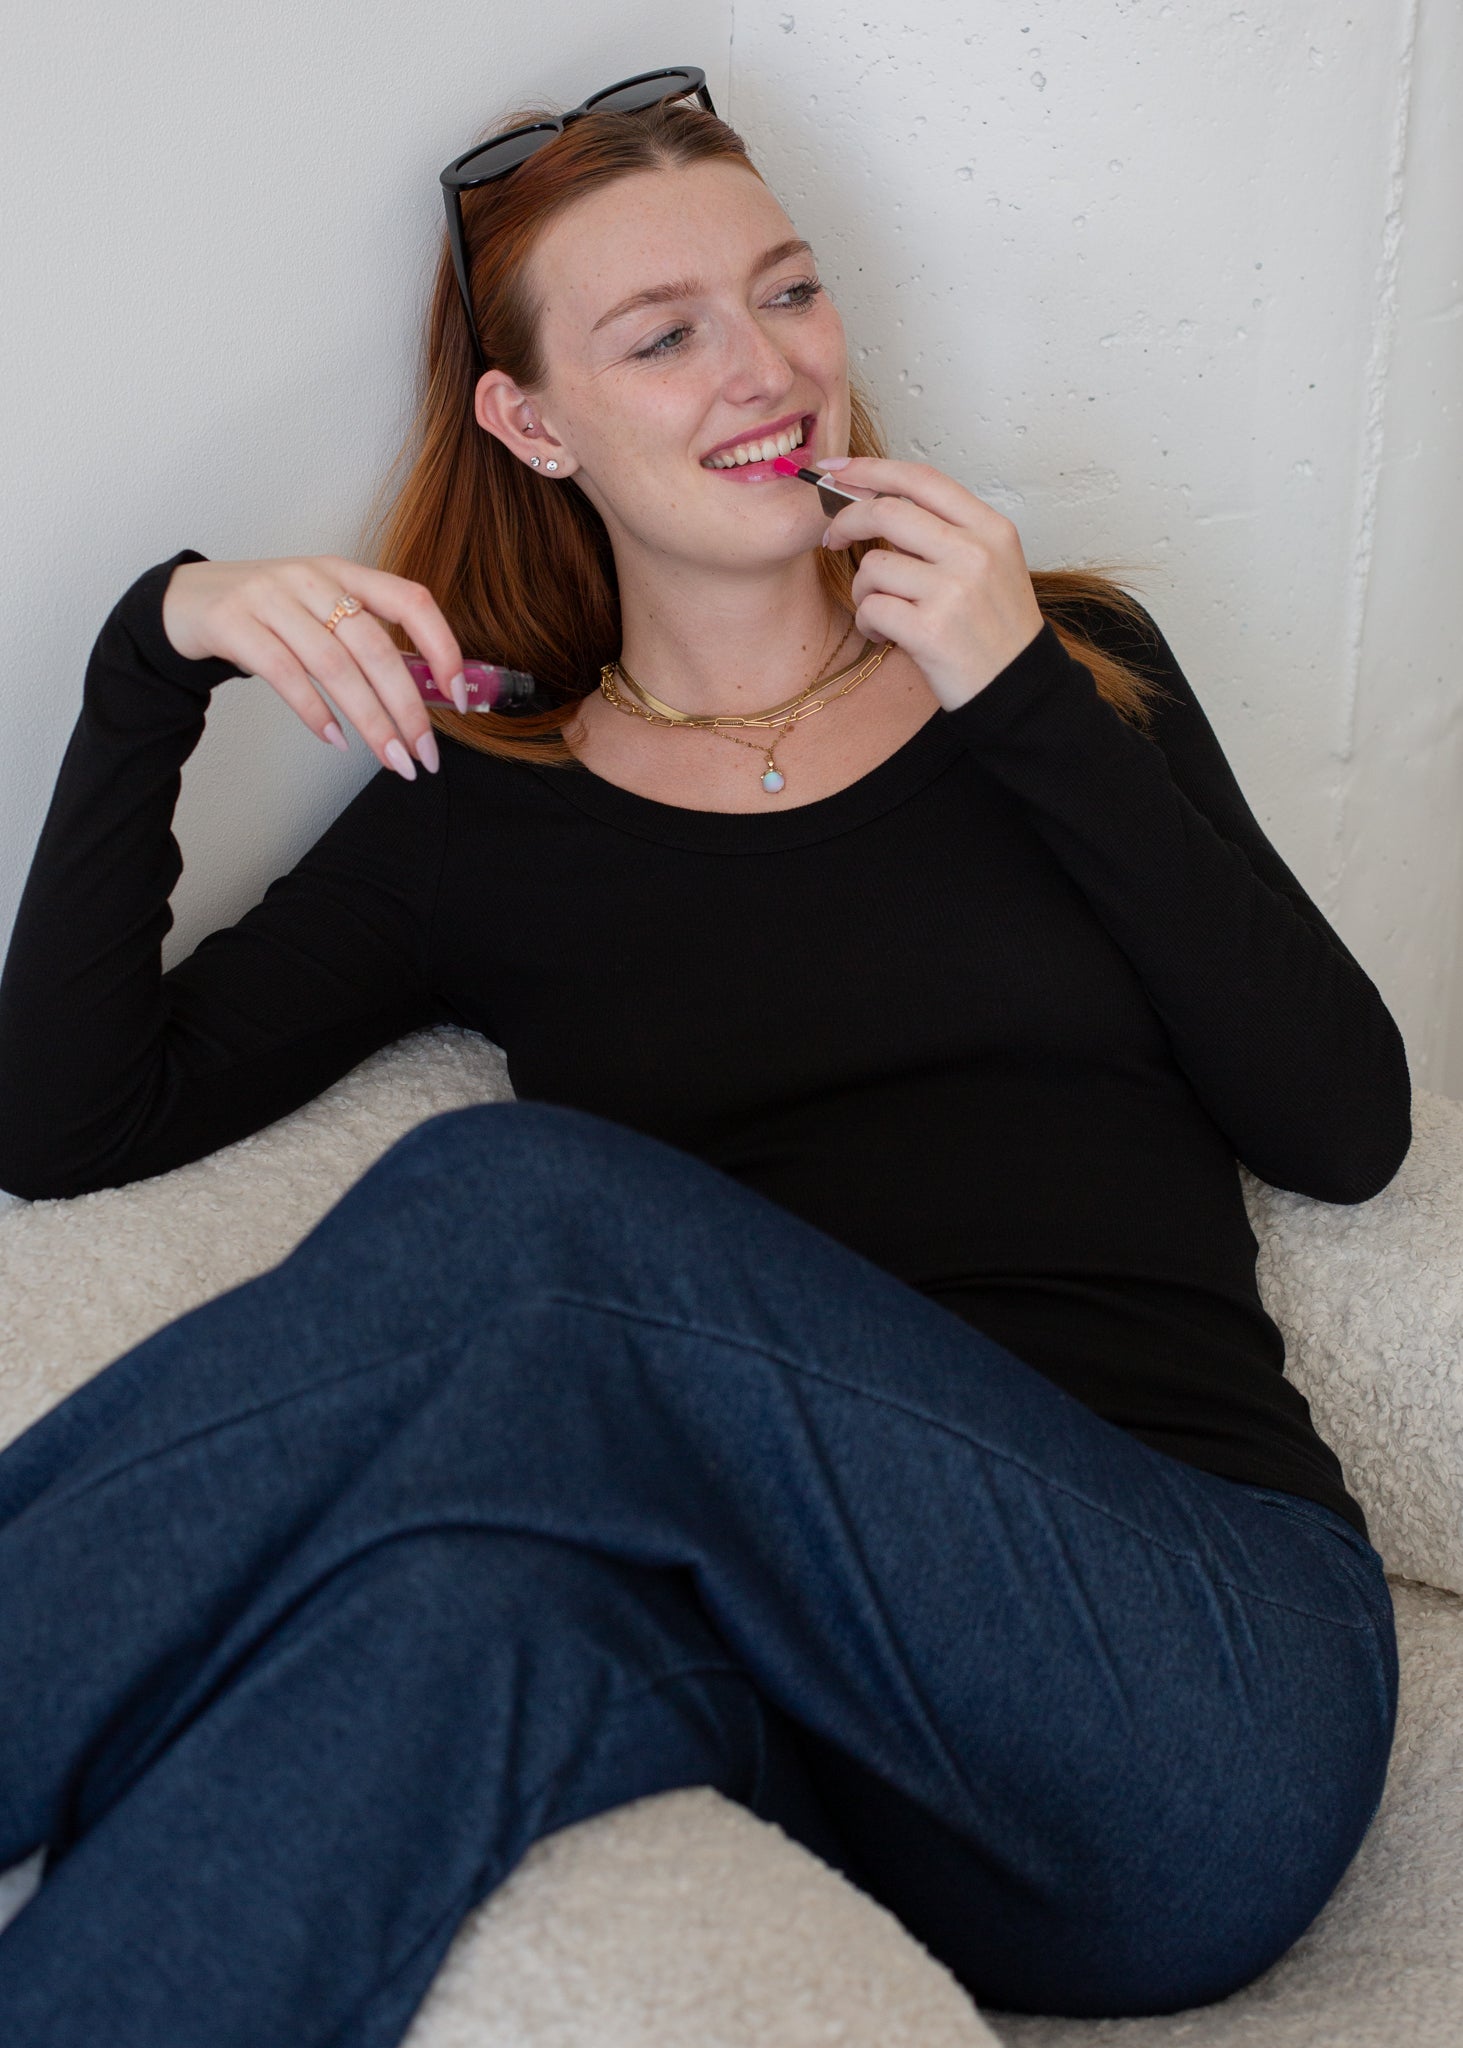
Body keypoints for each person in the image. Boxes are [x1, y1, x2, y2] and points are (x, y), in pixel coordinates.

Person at [0, 71, 1411, 2048]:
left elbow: (1346, 1128)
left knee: (534, 1214)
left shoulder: (1065, 666)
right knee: (433, 1634)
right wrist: (158, 650)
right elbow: (69, 1123)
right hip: (836, 1759)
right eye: (663, 336)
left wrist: (1013, 697)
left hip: (1194, 1690)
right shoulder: (476, 815)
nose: (769, 370)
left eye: (790, 292)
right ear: (531, 419)